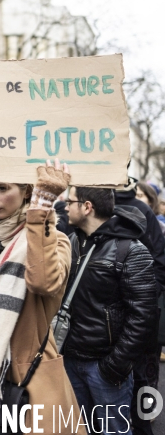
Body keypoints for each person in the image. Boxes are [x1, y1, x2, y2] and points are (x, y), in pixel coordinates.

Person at [0, 160, 80, 434]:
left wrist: (41, 210)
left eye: (3, 188)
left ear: (26, 192)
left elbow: (43, 283)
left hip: (28, 388)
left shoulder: (54, 240)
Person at [62, 186, 157, 435]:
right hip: (70, 361)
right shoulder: (71, 242)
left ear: (87, 207)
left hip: (104, 368)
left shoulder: (131, 250)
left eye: (70, 201)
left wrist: (114, 365)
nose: (65, 207)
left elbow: (143, 316)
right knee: (78, 430)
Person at [115, 178, 165, 435]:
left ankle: (144, 424)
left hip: (140, 311)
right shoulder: (97, 207)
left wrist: (146, 298)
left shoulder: (143, 212)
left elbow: (159, 261)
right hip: (114, 312)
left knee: (143, 375)